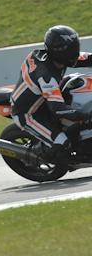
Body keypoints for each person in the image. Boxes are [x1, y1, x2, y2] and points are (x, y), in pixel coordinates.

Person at [10, 25, 92, 163]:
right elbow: (57, 109)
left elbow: (88, 58)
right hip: (29, 113)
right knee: (63, 144)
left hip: (45, 98)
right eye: (70, 50)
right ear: (59, 52)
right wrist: (86, 117)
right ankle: (41, 156)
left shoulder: (57, 58)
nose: (75, 53)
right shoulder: (46, 76)